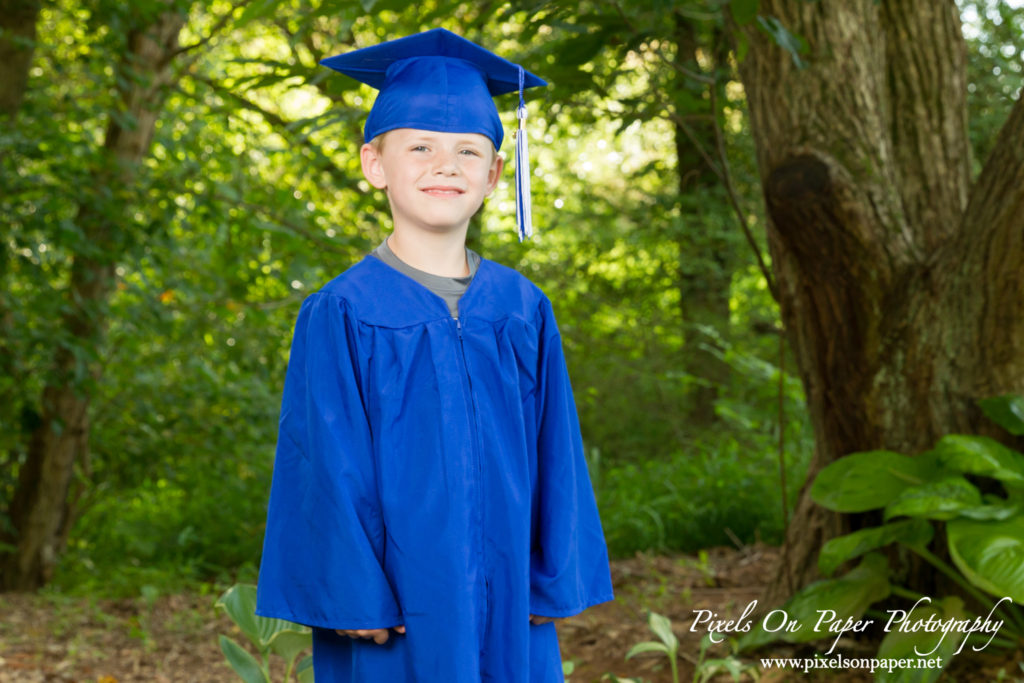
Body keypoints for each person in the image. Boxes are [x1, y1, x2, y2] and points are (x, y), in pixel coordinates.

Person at [255, 28, 613, 682]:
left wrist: (551, 576)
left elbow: (557, 448)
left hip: (510, 594)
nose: (444, 165)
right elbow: (323, 459)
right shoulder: (343, 310)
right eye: (419, 146)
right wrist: (350, 590)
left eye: (468, 150)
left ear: (495, 172)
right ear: (374, 164)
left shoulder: (522, 307)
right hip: (394, 604)